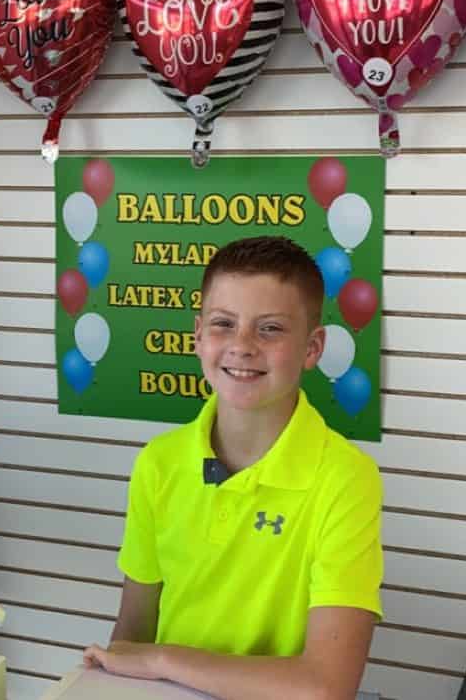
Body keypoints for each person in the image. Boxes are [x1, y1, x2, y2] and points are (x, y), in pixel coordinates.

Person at [83, 235, 383, 700]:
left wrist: (164, 660)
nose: (242, 346)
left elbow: (327, 686)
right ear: (198, 335)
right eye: (224, 323)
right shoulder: (158, 463)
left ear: (312, 348)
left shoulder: (345, 478)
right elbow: (132, 636)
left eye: (270, 329)